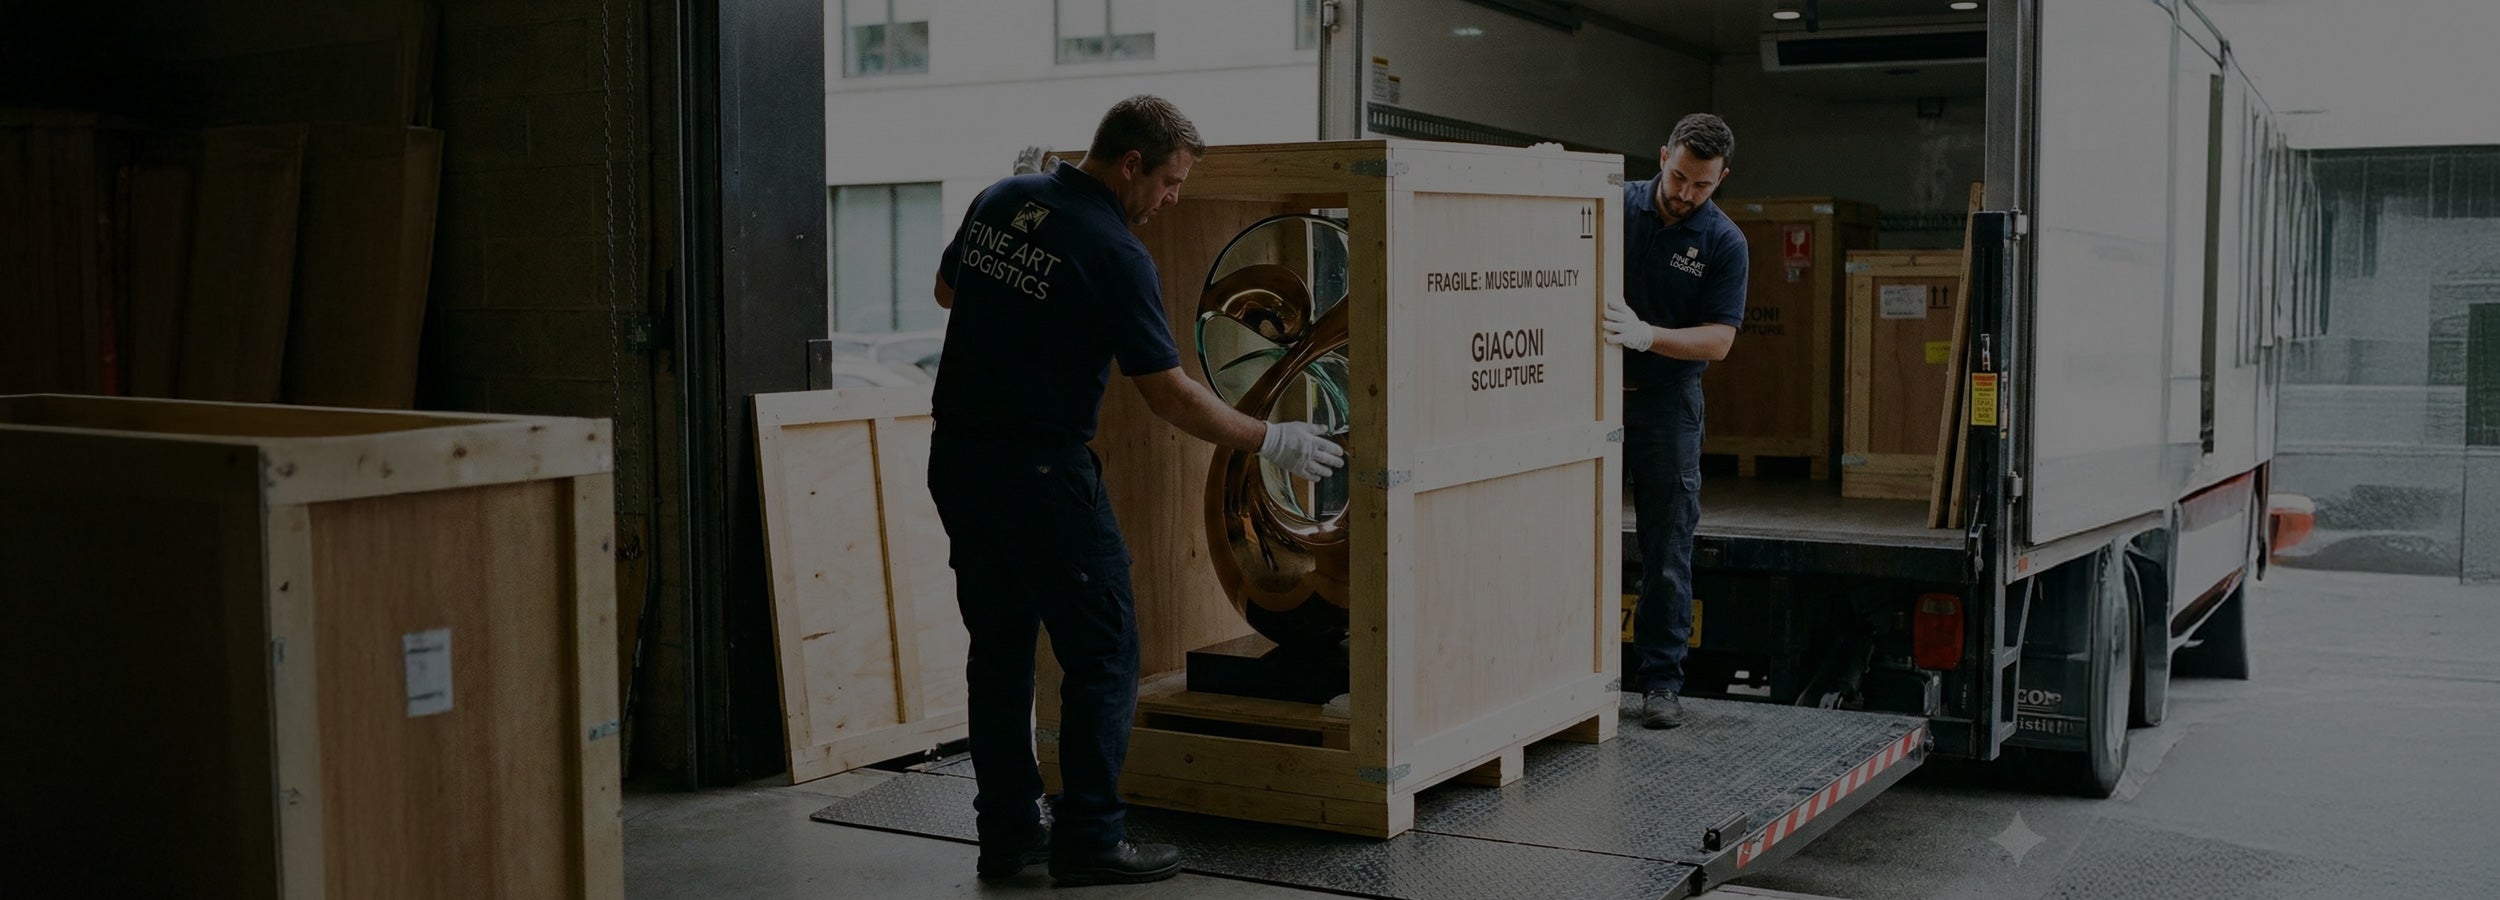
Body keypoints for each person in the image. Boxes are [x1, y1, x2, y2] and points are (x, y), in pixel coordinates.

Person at [924, 95, 1347, 887]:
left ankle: (1011, 837)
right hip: (1043, 475)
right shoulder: (1115, 250)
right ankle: (1090, 836)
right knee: (1106, 649)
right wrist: (1271, 438)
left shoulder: (1003, 198)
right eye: (1172, 182)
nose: (1173, 199)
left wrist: (1031, 286)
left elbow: (950, 294)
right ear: (1130, 165)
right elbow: (1167, 392)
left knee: (1001, 651)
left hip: (959, 462)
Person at [1602, 113, 1748, 730]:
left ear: (1721, 180)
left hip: (1667, 404)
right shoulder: (1613, 205)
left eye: (1702, 186)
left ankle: (1660, 683)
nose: (1686, 194)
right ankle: (1569, 673)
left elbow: (1719, 341)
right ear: (1663, 155)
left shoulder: (1723, 242)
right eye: (1680, 177)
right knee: (1571, 531)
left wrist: (1647, 336)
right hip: (1596, 395)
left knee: (1667, 546)